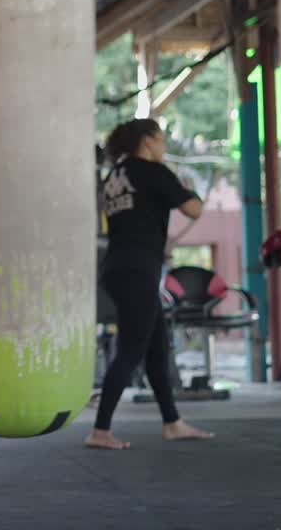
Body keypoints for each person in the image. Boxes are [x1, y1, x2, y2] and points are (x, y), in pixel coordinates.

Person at [86, 118, 215, 450]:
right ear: (146, 142)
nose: (164, 146)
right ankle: (100, 430)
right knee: (131, 348)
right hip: (138, 270)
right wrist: (187, 184)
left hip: (117, 267)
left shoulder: (115, 176)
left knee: (157, 346)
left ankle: (172, 422)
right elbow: (194, 209)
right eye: (161, 140)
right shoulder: (154, 172)